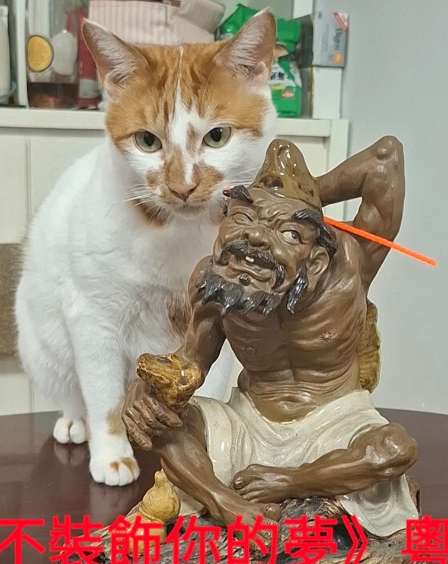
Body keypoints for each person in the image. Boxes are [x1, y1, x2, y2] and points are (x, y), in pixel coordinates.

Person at [122, 137, 419, 537]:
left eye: (288, 233)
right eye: (244, 218)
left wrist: (305, 199)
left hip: (335, 421)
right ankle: (226, 504)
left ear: (317, 259)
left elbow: (385, 159)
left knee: (394, 449)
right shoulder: (213, 281)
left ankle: (294, 483)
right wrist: (148, 390)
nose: (258, 237)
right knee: (162, 421)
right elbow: (190, 365)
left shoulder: (350, 265)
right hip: (248, 421)